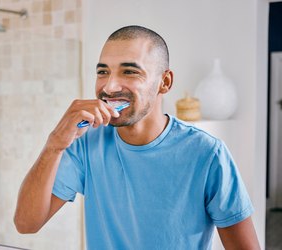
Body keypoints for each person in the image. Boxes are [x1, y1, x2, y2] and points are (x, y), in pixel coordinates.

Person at [14, 25, 260, 249]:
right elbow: (26, 224)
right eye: (103, 72)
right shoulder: (85, 144)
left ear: (164, 82)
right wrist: (55, 144)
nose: (109, 87)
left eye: (129, 72)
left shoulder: (207, 153)